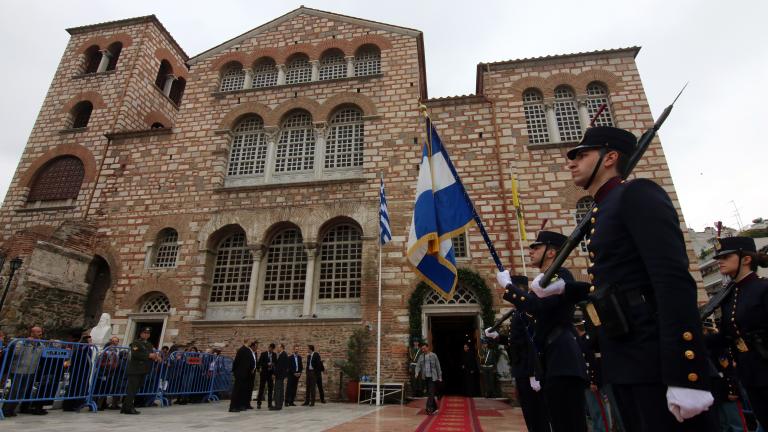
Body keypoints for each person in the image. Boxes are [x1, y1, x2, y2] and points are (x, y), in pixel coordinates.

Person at [539, 126, 716, 430]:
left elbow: (671, 281)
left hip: (654, 360)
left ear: (609, 158)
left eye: (582, 155)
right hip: (625, 357)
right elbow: (613, 286)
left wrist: (686, 374)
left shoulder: (637, 194)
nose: (571, 163)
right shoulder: (602, 209)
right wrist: (565, 289)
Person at [491, 230, 588, 432]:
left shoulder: (561, 275)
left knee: (569, 424)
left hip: (563, 358)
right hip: (549, 360)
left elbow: (537, 306)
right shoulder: (544, 280)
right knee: (557, 422)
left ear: (551, 252)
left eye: (537, 248)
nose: (531, 251)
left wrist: (509, 286)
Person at [712, 236, 768, 427]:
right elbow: (725, 337)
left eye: (726, 257)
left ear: (746, 259)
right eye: (719, 257)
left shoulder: (763, 288)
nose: (720, 261)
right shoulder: (728, 296)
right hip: (750, 373)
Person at [2, 326, 45, 417]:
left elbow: (43, 356)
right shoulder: (21, 342)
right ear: (31, 333)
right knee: (14, 390)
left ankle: (12, 409)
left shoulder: (41, 345)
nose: (40, 333)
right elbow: (16, 353)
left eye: (40, 331)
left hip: (30, 371)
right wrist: (25, 343)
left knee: (22, 392)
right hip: (18, 370)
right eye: (37, 332)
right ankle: (6, 410)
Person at [122, 327, 160, 414]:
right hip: (135, 369)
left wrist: (156, 357)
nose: (146, 335)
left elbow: (152, 353)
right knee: (132, 389)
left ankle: (125, 407)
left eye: (148, 333)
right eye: (144, 333)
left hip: (143, 369)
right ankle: (129, 408)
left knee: (135, 389)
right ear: (141, 334)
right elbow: (136, 354)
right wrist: (149, 355)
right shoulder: (136, 343)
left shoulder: (149, 344)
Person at [229, 338, 256, 412]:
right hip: (241, 374)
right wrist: (235, 372)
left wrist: (251, 368)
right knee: (237, 390)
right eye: (250, 341)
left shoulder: (246, 350)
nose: (251, 343)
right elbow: (237, 362)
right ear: (247, 341)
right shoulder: (243, 350)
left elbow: (249, 362)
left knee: (242, 391)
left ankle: (239, 405)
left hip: (244, 374)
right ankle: (233, 407)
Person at [415, 342, 442, 415]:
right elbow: (418, 365)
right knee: (430, 393)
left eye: (424, 348)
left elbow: (438, 366)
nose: (423, 350)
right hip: (425, 377)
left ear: (428, 347)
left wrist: (440, 377)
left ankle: (428, 408)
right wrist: (416, 373)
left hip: (433, 377)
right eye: (422, 349)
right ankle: (435, 408)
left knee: (431, 392)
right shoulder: (421, 356)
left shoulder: (433, 355)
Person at [256, 342, 276, 409]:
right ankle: (259, 403)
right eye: (270, 348)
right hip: (264, 373)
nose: (271, 350)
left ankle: (270, 404)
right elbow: (260, 363)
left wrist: (274, 374)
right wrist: (267, 364)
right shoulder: (263, 354)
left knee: (270, 389)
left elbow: (275, 364)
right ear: (269, 347)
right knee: (261, 388)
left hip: (270, 374)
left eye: (272, 349)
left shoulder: (274, 355)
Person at [270, 343, 289, 411]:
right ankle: (279, 405)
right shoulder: (283, 354)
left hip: (279, 376)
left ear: (281, 348)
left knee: (277, 390)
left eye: (278, 347)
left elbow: (279, 367)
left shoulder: (283, 355)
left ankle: (277, 405)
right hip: (281, 376)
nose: (277, 349)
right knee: (280, 390)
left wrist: (274, 374)